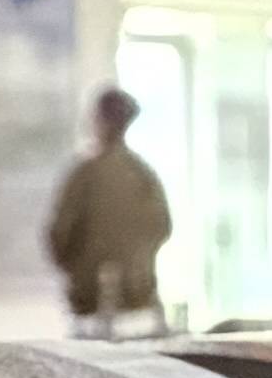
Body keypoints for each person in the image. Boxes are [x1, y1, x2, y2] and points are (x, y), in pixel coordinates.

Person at [44, 86, 176, 332]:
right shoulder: (142, 175)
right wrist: (136, 265)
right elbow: (162, 227)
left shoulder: (84, 175)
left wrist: (80, 272)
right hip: (139, 302)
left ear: (98, 120)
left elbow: (59, 235)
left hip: (90, 303)